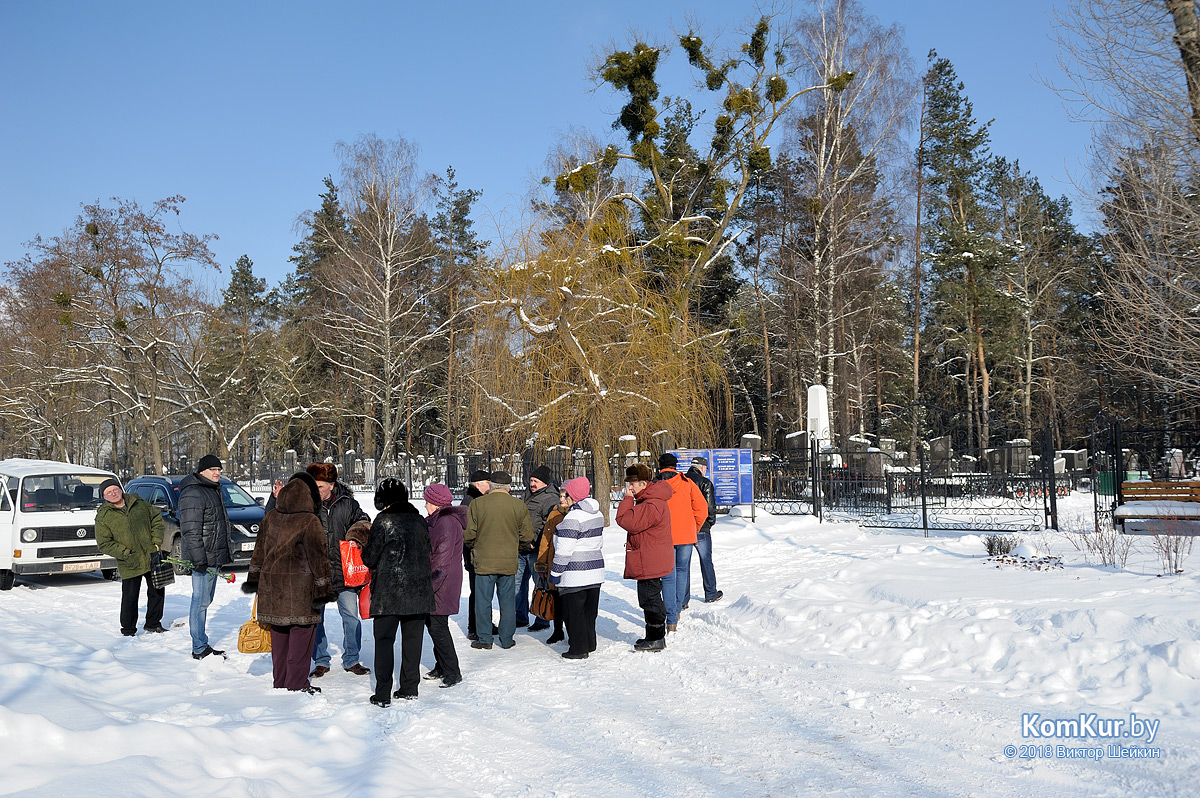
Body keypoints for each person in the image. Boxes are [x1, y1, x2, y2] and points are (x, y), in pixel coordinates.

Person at [242, 472, 332, 694]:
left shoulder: (271, 517)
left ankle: (280, 681)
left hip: (272, 588)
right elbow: (318, 556)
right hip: (302, 590)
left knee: (280, 638)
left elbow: (258, 552)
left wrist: (254, 579)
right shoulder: (310, 520)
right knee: (301, 638)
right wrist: (324, 588)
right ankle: (297, 683)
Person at [357, 478, 434, 706]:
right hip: (418, 591)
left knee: (384, 641)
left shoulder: (383, 521)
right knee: (412, 641)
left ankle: (382, 694)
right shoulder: (420, 520)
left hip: (388, 593)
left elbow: (370, 557)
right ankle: (409, 688)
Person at [306, 462, 372, 678]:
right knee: (316, 619)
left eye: (320, 486)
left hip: (344, 571)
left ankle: (352, 658)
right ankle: (321, 660)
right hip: (317, 574)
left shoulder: (348, 504)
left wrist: (355, 538)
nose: (316, 491)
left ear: (331, 485)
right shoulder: (306, 504)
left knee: (351, 616)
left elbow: (364, 521)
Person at [462, 470, 532, 650]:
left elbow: (469, 535)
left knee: (483, 601)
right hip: (508, 560)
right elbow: (526, 536)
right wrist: (516, 546)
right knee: (507, 602)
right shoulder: (519, 505)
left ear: (491, 486)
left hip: (483, 561)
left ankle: (485, 639)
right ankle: (507, 639)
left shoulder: (477, 504)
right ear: (509, 487)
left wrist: (474, 546)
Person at [95, 477, 167, 636]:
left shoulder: (139, 503)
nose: (113, 494)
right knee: (130, 596)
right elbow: (104, 543)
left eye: (115, 490)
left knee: (157, 591)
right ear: (104, 497)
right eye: (108, 493)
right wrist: (125, 553)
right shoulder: (104, 516)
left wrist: (156, 542)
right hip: (129, 560)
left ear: (120, 489)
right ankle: (128, 629)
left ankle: (153, 623)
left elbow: (156, 519)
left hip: (150, 554)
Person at [179, 454, 234, 659]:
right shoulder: (194, 493)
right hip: (203, 558)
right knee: (200, 601)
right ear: (202, 471)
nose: (217, 473)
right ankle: (199, 647)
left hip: (213, 556)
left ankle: (201, 642)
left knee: (205, 601)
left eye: (219, 470)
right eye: (213, 470)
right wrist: (198, 559)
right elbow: (190, 530)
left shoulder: (211, 489)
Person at [615, 463, 674, 652]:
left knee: (650, 599)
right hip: (649, 557)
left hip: (650, 559)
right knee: (649, 598)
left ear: (643, 483)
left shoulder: (651, 503)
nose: (629, 488)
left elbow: (625, 520)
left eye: (632, 484)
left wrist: (626, 498)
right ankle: (652, 636)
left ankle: (656, 638)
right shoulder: (648, 500)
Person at [549, 477, 604, 660]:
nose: (563, 497)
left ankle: (578, 649)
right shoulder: (597, 514)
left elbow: (564, 550)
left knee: (574, 613)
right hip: (595, 570)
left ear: (572, 496)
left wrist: (556, 573)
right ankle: (590, 642)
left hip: (575, 572)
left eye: (566, 494)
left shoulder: (573, 517)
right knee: (589, 612)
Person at [654, 453, 708, 632]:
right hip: (686, 535)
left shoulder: (655, 485)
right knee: (682, 570)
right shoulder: (687, 483)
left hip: (664, 537)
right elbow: (702, 509)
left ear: (660, 466)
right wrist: (695, 528)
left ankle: (671, 619)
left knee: (668, 575)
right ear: (676, 466)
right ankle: (677, 610)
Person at [420, 483, 465, 688]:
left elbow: (441, 559)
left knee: (438, 627)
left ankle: (452, 672)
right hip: (441, 580)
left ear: (436, 504)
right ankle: (441, 666)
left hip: (442, 582)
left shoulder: (445, 522)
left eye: (427, 503)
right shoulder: (439, 520)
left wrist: (430, 584)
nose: (425, 506)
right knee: (433, 625)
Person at [521, 465, 558, 631]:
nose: (532, 484)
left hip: (536, 550)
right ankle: (519, 616)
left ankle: (542, 618)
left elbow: (548, 525)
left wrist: (534, 542)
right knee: (518, 585)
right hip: (521, 548)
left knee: (540, 584)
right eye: (531, 480)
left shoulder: (550, 499)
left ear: (544, 482)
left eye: (535, 481)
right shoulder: (529, 495)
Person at [684, 456, 722, 605]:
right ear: (702, 468)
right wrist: (709, 523)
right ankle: (710, 593)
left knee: (683, 564)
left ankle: (682, 599)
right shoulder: (705, 483)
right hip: (702, 527)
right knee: (706, 561)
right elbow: (710, 507)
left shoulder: (682, 482)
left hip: (684, 527)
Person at [460, 469, 491, 642]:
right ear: (478, 485)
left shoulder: (475, 499)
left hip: (478, 554)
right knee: (478, 593)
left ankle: (482, 624)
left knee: (482, 592)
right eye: (487, 482)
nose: (490, 485)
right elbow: (469, 532)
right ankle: (475, 627)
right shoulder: (471, 501)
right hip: (474, 554)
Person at [534, 497, 568, 644]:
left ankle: (573, 631)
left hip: (571, 567)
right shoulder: (554, 514)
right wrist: (542, 563)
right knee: (555, 598)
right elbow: (546, 540)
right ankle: (558, 630)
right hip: (553, 564)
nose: (561, 499)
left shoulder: (575, 514)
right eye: (560, 496)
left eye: (565, 496)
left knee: (569, 601)